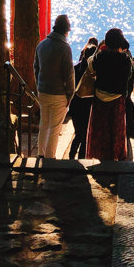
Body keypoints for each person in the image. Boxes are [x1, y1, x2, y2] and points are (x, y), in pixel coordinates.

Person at [86, 29, 133, 161]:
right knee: (116, 131)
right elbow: (128, 76)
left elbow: (90, 65)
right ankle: (115, 156)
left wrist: (98, 50)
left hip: (99, 98)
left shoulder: (100, 56)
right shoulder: (125, 59)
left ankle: (98, 154)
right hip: (117, 99)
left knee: (100, 131)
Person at [34, 14, 75, 159]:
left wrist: (39, 85)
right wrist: (71, 94)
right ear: (66, 30)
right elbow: (69, 74)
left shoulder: (42, 44)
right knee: (54, 128)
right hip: (59, 94)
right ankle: (50, 158)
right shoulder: (64, 47)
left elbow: (36, 68)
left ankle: (41, 154)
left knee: (44, 124)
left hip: (43, 91)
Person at [68, 37, 98, 159]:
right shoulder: (94, 71)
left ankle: (71, 156)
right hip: (88, 106)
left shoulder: (75, 69)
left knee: (79, 133)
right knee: (85, 134)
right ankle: (81, 157)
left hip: (75, 105)